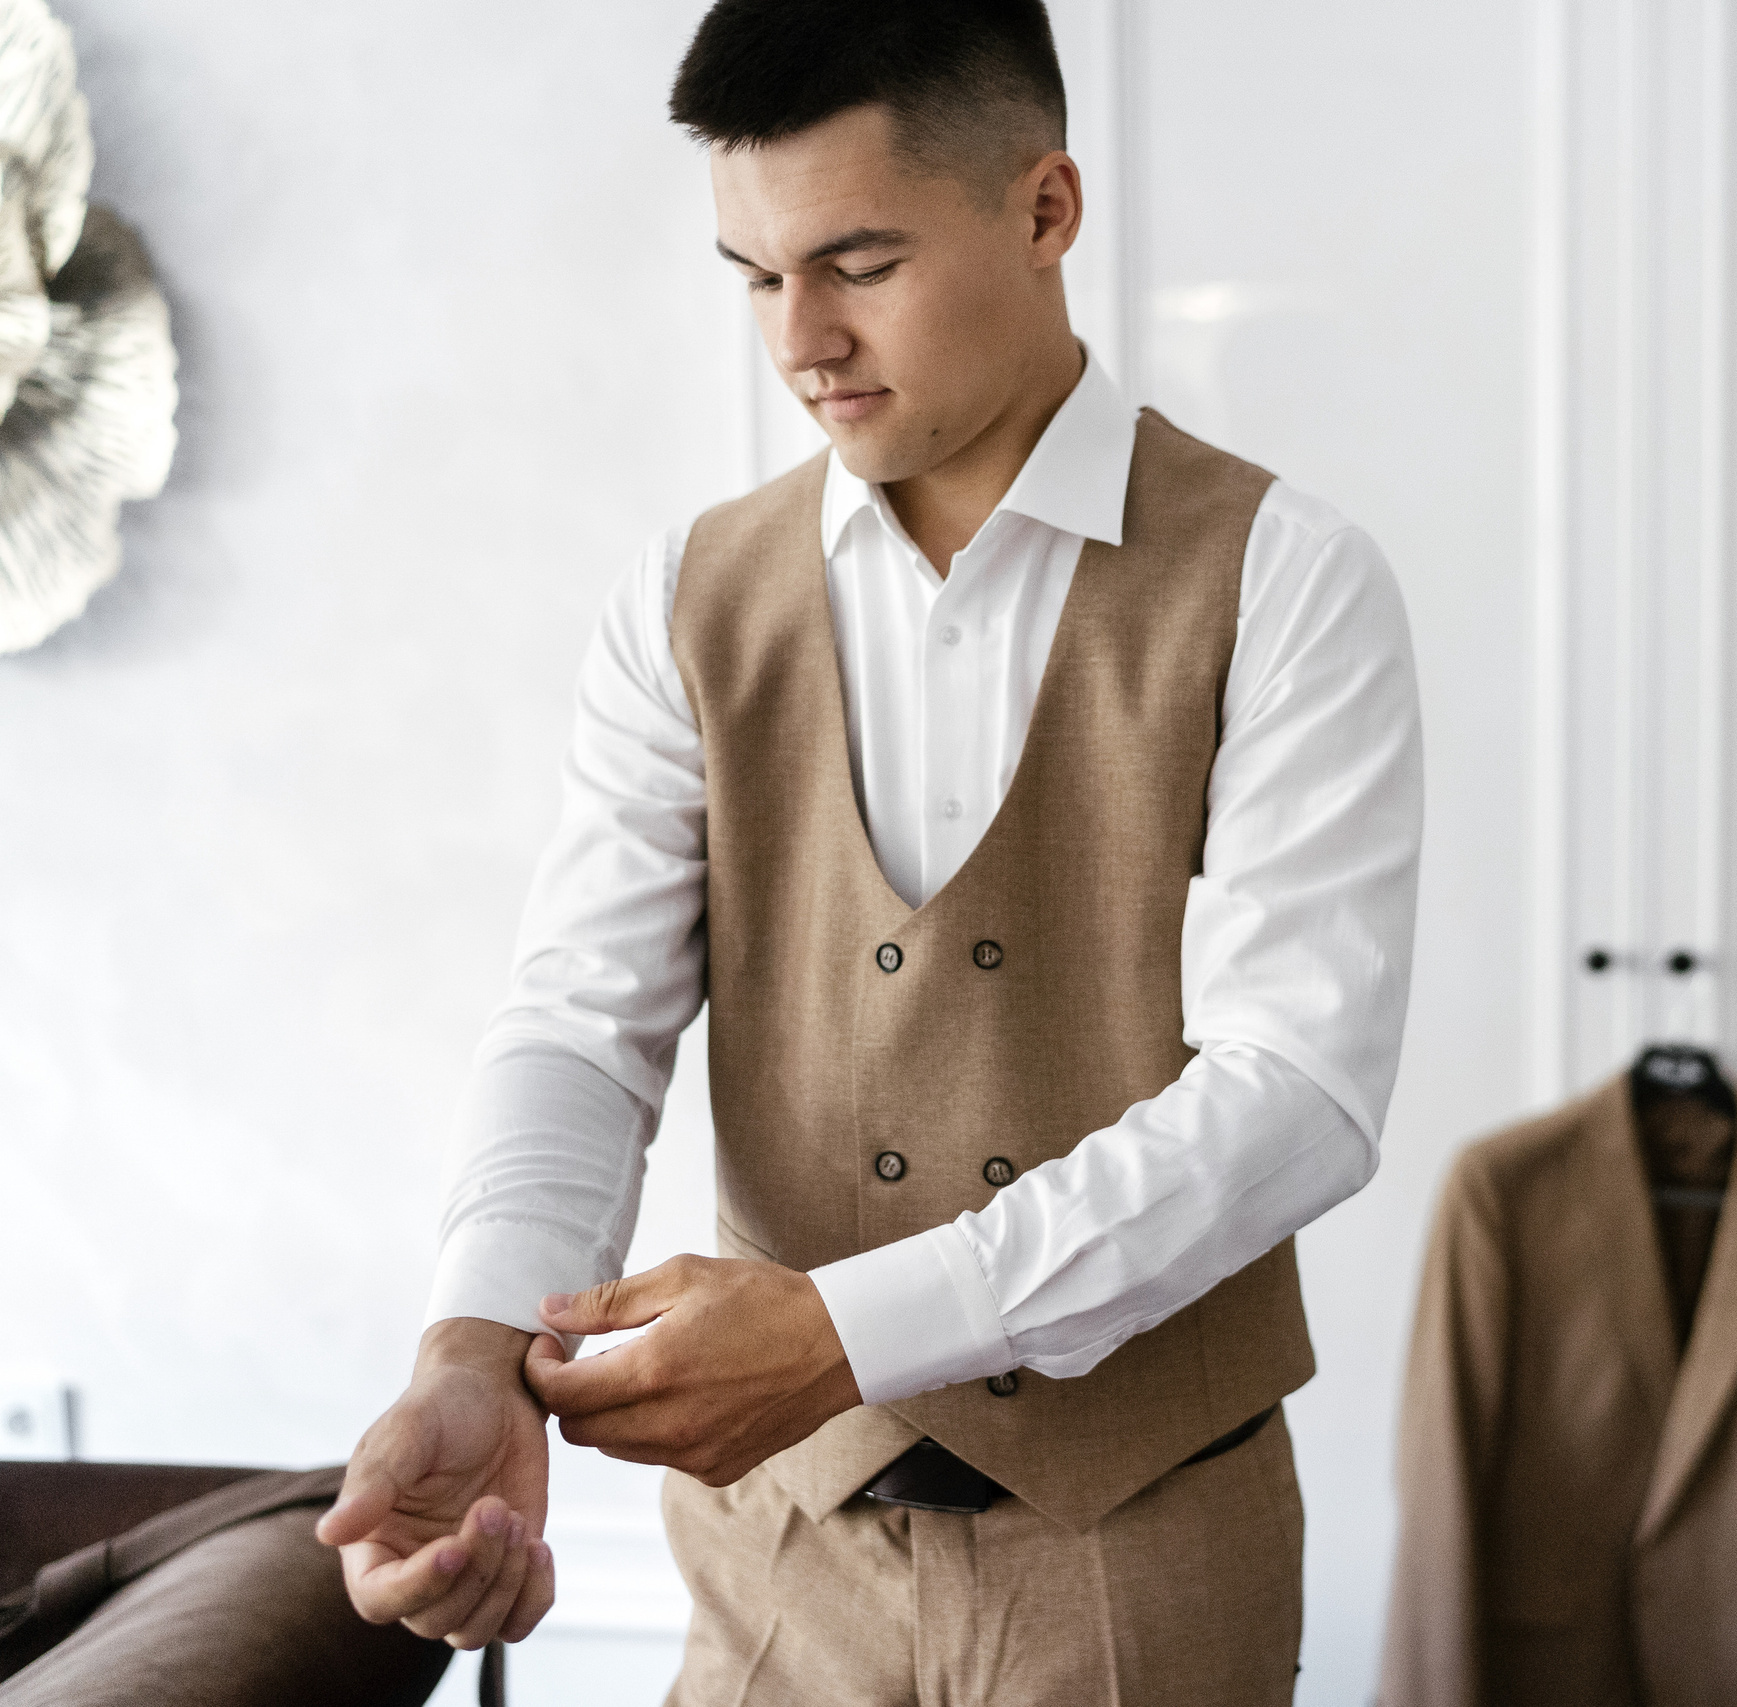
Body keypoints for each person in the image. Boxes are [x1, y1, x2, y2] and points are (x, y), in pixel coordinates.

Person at [311, 2, 1424, 1700]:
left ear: (1044, 211)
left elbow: (1297, 1094)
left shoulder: (1287, 579)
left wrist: (846, 1334)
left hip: (1142, 1556)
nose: (801, 340)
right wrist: (477, 1339)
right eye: (754, 277)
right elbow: (576, 1022)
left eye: (857, 262)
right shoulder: (685, 602)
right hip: (775, 1563)